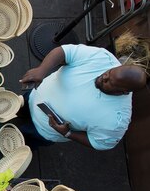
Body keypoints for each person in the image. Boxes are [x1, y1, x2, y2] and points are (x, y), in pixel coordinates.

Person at [18, 38, 148, 151]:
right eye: (109, 72)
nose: (103, 77)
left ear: (123, 92)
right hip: (34, 96)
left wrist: (68, 133)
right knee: (11, 112)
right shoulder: (103, 57)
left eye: (109, 82)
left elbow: (100, 143)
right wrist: (42, 70)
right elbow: (64, 51)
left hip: (42, 131)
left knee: (17, 143)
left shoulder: (117, 120)